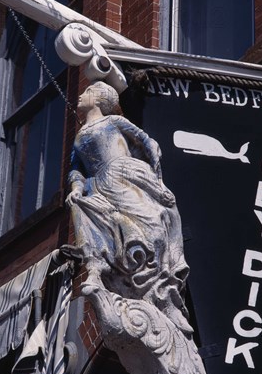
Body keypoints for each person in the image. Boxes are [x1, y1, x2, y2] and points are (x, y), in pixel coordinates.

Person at [66, 81, 191, 333]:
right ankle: (98, 267)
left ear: (100, 99)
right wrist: (77, 188)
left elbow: (146, 142)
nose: (80, 94)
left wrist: (156, 178)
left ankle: (166, 298)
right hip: (98, 186)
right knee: (112, 227)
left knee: (154, 227)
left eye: (87, 92)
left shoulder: (113, 122)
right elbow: (76, 169)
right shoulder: (79, 136)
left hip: (125, 174)